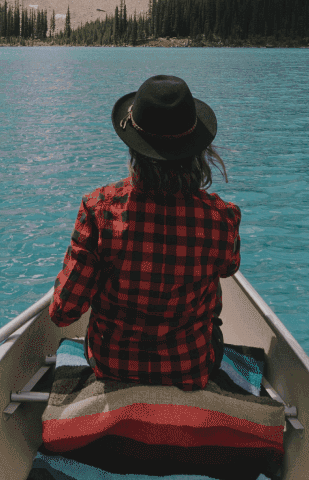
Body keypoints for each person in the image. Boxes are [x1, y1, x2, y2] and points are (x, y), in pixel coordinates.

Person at [49, 74, 241, 390]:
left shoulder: (98, 208)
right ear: (195, 150)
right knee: (212, 281)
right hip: (190, 367)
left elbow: (63, 312)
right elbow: (229, 267)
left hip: (111, 366)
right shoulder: (222, 217)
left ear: (134, 149)